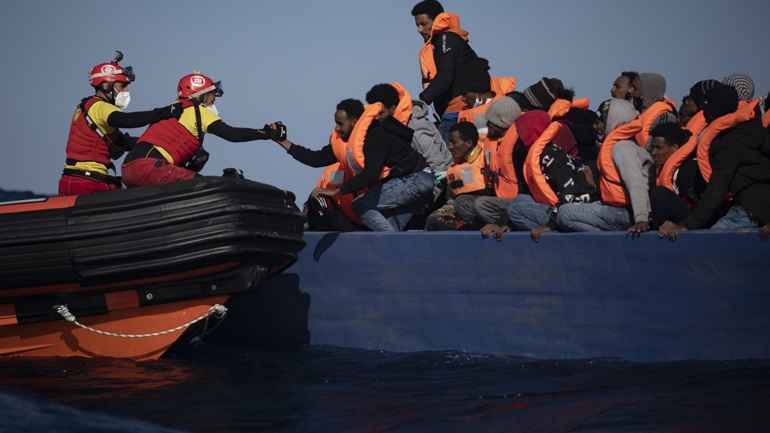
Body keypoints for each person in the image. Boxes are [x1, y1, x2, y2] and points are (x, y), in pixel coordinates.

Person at [273, 97, 434, 232]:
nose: (336, 128)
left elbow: (371, 175)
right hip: (411, 184)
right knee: (391, 226)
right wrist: (281, 141)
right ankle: (392, 251)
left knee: (361, 205)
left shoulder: (375, 135)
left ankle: (390, 244)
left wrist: (336, 191)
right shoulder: (347, 145)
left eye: (340, 123)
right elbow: (314, 159)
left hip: (417, 179)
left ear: (354, 122)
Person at [121, 72, 279, 188]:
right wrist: (266, 133)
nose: (213, 100)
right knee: (208, 186)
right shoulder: (197, 111)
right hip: (149, 168)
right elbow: (232, 134)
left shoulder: (172, 109)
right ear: (197, 96)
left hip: (128, 169)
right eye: (209, 96)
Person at [60, 52, 182, 196]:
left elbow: (124, 142)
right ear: (106, 85)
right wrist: (165, 112)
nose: (126, 91)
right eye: (122, 86)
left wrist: (161, 144)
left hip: (68, 180)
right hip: (90, 183)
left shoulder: (85, 107)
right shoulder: (101, 107)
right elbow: (128, 120)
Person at [659, 85, 770, 240]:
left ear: (715, 112)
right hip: (759, 200)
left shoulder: (728, 143)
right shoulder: (754, 127)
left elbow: (717, 189)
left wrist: (688, 224)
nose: (703, 115)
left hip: (752, 206)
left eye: (706, 110)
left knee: (711, 240)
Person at [556, 98, 651, 234]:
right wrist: (594, 185)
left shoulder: (622, 148)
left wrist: (641, 218)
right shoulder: (623, 145)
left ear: (612, 121)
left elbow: (636, 183)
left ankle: (608, 239)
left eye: (599, 122)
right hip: (619, 209)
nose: (595, 127)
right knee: (565, 212)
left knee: (565, 213)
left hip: (628, 213)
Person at [411, 0, 479, 144]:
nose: (419, 30)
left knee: (447, 156)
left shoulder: (446, 39)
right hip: (451, 112)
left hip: (457, 112)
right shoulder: (441, 42)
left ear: (437, 20)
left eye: (423, 24)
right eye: (417, 25)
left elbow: (445, 76)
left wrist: (420, 102)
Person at [453, 96, 521, 229]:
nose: (487, 123)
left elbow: (525, 190)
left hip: (516, 204)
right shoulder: (493, 143)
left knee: (481, 204)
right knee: (461, 202)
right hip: (496, 200)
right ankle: (485, 228)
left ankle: (504, 227)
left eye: (490, 121)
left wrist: (503, 221)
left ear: (501, 122)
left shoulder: (518, 147)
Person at [425, 121, 490, 230]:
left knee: (461, 203)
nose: (450, 146)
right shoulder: (454, 168)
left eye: (454, 142)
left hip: (484, 208)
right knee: (433, 221)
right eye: (450, 142)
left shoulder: (487, 161)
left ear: (468, 143)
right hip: (463, 209)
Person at [647, 122, 697, 229]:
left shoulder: (689, 169)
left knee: (659, 193)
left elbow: (700, 207)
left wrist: (682, 224)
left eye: (658, 148)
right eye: (652, 147)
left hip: (692, 222)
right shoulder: (658, 169)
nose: (653, 152)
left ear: (674, 147)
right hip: (678, 219)